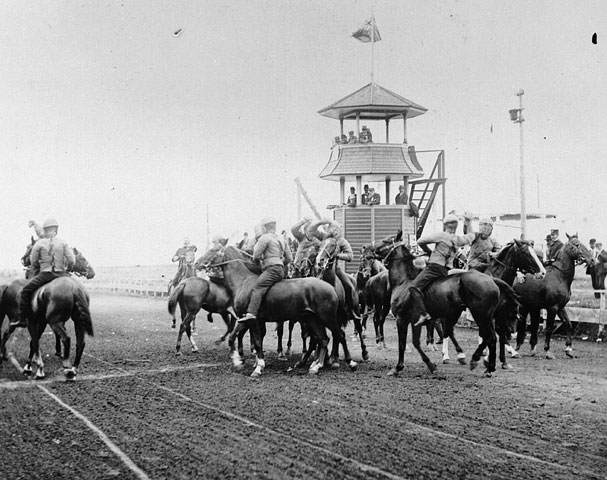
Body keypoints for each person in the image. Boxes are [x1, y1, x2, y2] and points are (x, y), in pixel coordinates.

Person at [408, 212, 475, 325]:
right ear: (456, 226)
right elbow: (471, 236)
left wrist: (428, 251)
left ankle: (423, 314)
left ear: (445, 225)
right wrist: (468, 222)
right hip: (446, 269)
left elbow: (420, 241)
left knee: (414, 287)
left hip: (434, 266)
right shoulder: (459, 239)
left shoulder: (441, 235)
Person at [12, 218, 76, 328]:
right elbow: (72, 261)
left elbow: (34, 262)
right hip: (61, 274)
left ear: (45, 231)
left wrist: (40, 267)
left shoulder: (39, 244)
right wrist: (67, 269)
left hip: (45, 274)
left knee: (25, 291)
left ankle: (22, 319)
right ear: (56, 230)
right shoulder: (63, 243)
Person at [239, 217, 292, 322]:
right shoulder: (281, 239)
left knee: (257, 288)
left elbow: (256, 256)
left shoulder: (264, 238)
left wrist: (258, 261)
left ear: (264, 227)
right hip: (281, 269)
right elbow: (289, 258)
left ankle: (251, 313)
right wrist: (280, 262)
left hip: (271, 269)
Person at [308, 218, 357, 313]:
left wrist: (337, 255)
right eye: (332, 228)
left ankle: (351, 310)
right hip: (319, 268)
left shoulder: (342, 241)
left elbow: (350, 256)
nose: (334, 231)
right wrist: (321, 222)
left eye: (336, 229)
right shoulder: (323, 237)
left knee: (349, 286)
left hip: (335, 268)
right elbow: (311, 230)